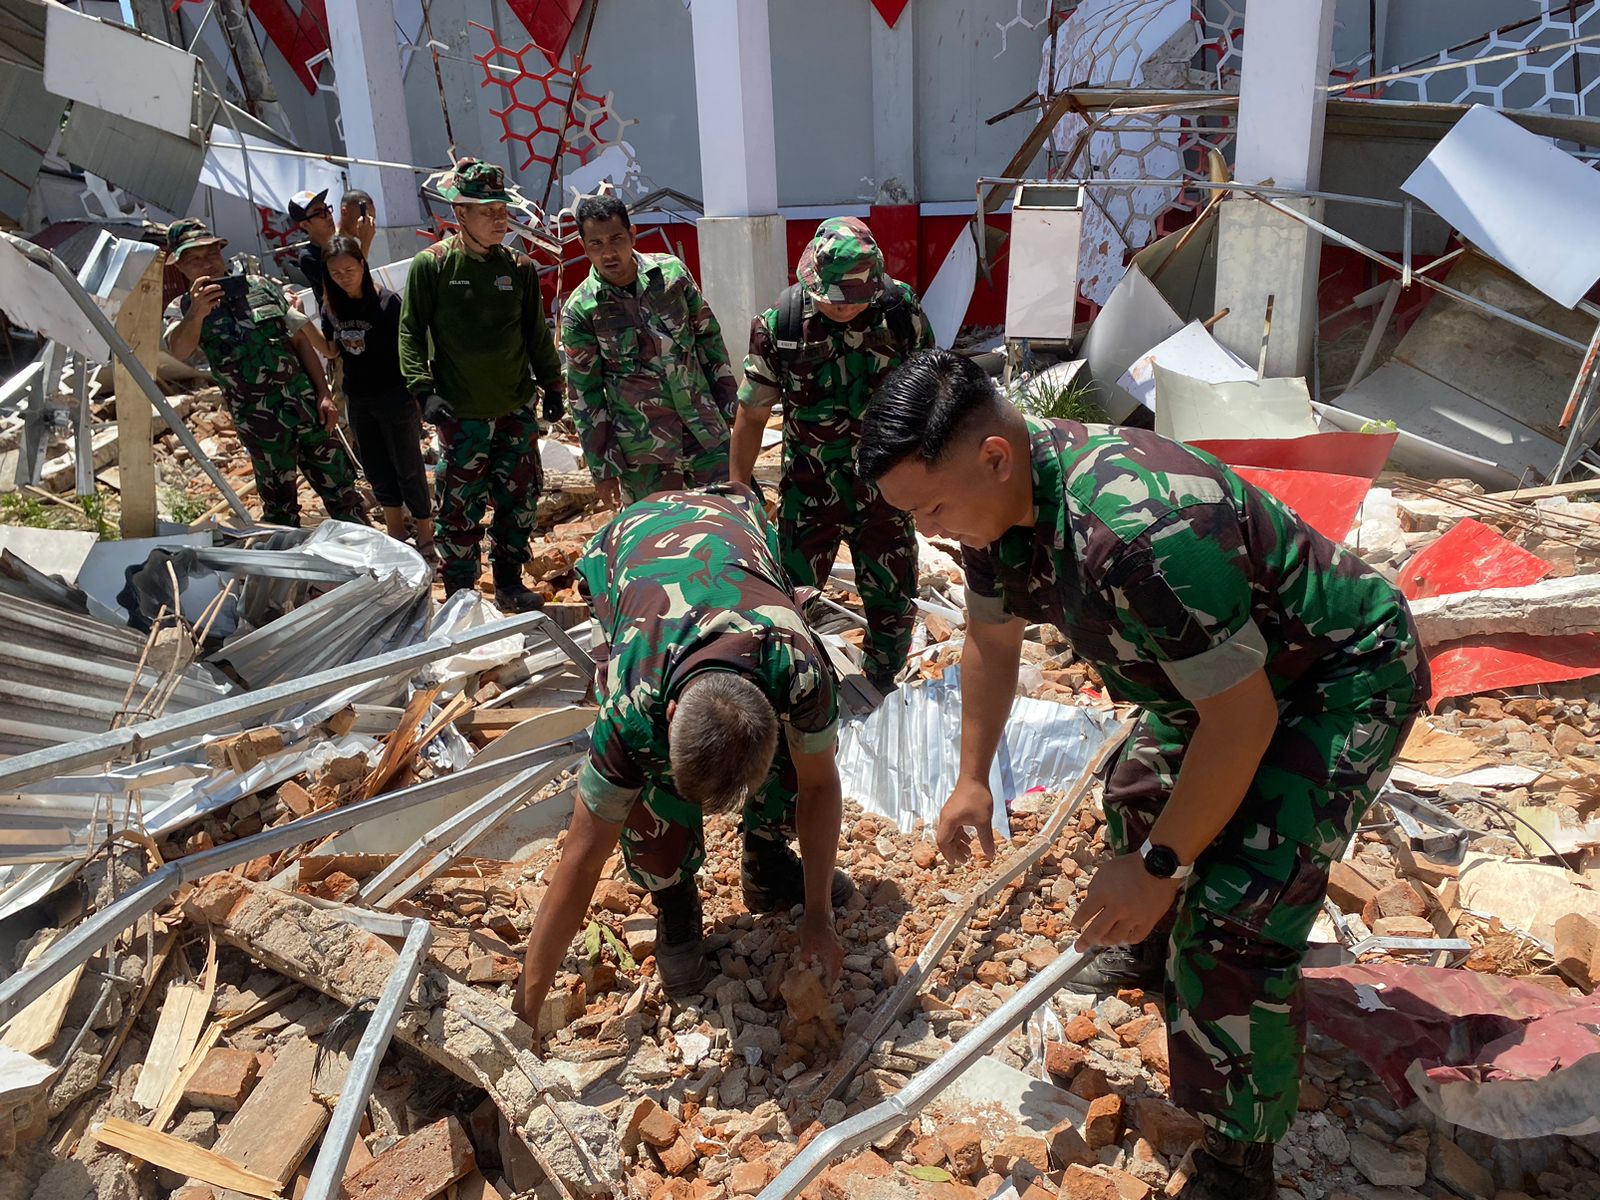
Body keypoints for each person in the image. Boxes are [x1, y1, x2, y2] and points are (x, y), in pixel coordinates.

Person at [857, 349, 1428, 1200]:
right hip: (1217, 687)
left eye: (931, 507)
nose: (926, 530)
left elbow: (1247, 721)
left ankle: (1241, 1159)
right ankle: (1147, 950)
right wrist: (973, 776)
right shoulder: (991, 514)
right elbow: (988, 639)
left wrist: (1163, 868)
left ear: (994, 456)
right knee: (1135, 789)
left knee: (1233, 921)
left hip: (1331, 680)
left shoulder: (1139, 530)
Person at [515, 483, 853, 1015]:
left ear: (770, 702)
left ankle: (767, 863)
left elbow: (818, 783)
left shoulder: (796, 665)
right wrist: (526, 1011)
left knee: (803, 755)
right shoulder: (632, 707)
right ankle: (674, 900)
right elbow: (580, 860)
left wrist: (817, 922)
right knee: (648, 793)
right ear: (669, 714)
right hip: (632, 545)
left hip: (728, 524)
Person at [729, 217, 933, 695]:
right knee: (786, 605)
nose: (844, 309)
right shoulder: (780, 323)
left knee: (894, 601)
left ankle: (882, 686)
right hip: (811, 490)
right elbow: (753, 411)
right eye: (833, 300)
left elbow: (931, 390)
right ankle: (798, 693)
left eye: (856, 299)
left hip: (889, 490)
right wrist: (739, 488)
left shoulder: (900, 312)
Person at [398, 158, 564, 610]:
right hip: (462, 413)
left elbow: (535, 332)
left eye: (502, 209)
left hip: (513, 407)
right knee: (459, 509)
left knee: (520, 499)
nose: (498, 218)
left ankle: (509, 581)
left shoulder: (520, 268)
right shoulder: (432, 266)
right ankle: (461, 596)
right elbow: (410, 331)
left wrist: (552, 384)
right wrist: (422, 390)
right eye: (486, 209)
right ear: (460, 214)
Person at [162, 219, 366, 527]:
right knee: (280, 510)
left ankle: (372, 564)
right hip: (260, 424)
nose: (207, 263)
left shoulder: (260, 286)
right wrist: (197, 313)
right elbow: (179, 350)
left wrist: (324, 394)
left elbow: (298, 338)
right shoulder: (183, 308)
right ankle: (293, 572)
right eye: (195, 259)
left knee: (344, 493)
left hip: (307, 410)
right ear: (180, 265)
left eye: (211, 253)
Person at [560, 195, 737, 509]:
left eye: (616, 239)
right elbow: (585, 395)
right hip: (645, 455)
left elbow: (708, 340)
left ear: (632, 235)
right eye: (596, 244)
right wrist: (603, 467)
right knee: (660, 544)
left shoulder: (671, 276)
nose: (608, 253)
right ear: (585, 247)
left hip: (705, 433)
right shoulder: (581, 310)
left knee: (726, 526)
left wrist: (729, 409)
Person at [319, 235, 439, 565]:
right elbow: (331, 350)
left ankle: (426, 537)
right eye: (335, 273)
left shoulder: (388, 304)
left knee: (409, 467)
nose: (343, 277)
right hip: (359, 399)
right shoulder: (331, 307)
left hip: (395, 396)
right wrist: (299, 323)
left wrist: (420, 392)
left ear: (362, 264)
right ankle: (397, 535)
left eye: (348, 269)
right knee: (376, 468)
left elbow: (410, 348)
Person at [289, 187, 376, 301]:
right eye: (319, 213)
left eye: (327, 210)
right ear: (304, 225)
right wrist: (365, 243)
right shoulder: (309, 257)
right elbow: (345, 287)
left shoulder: (340, 243)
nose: (328, 216)